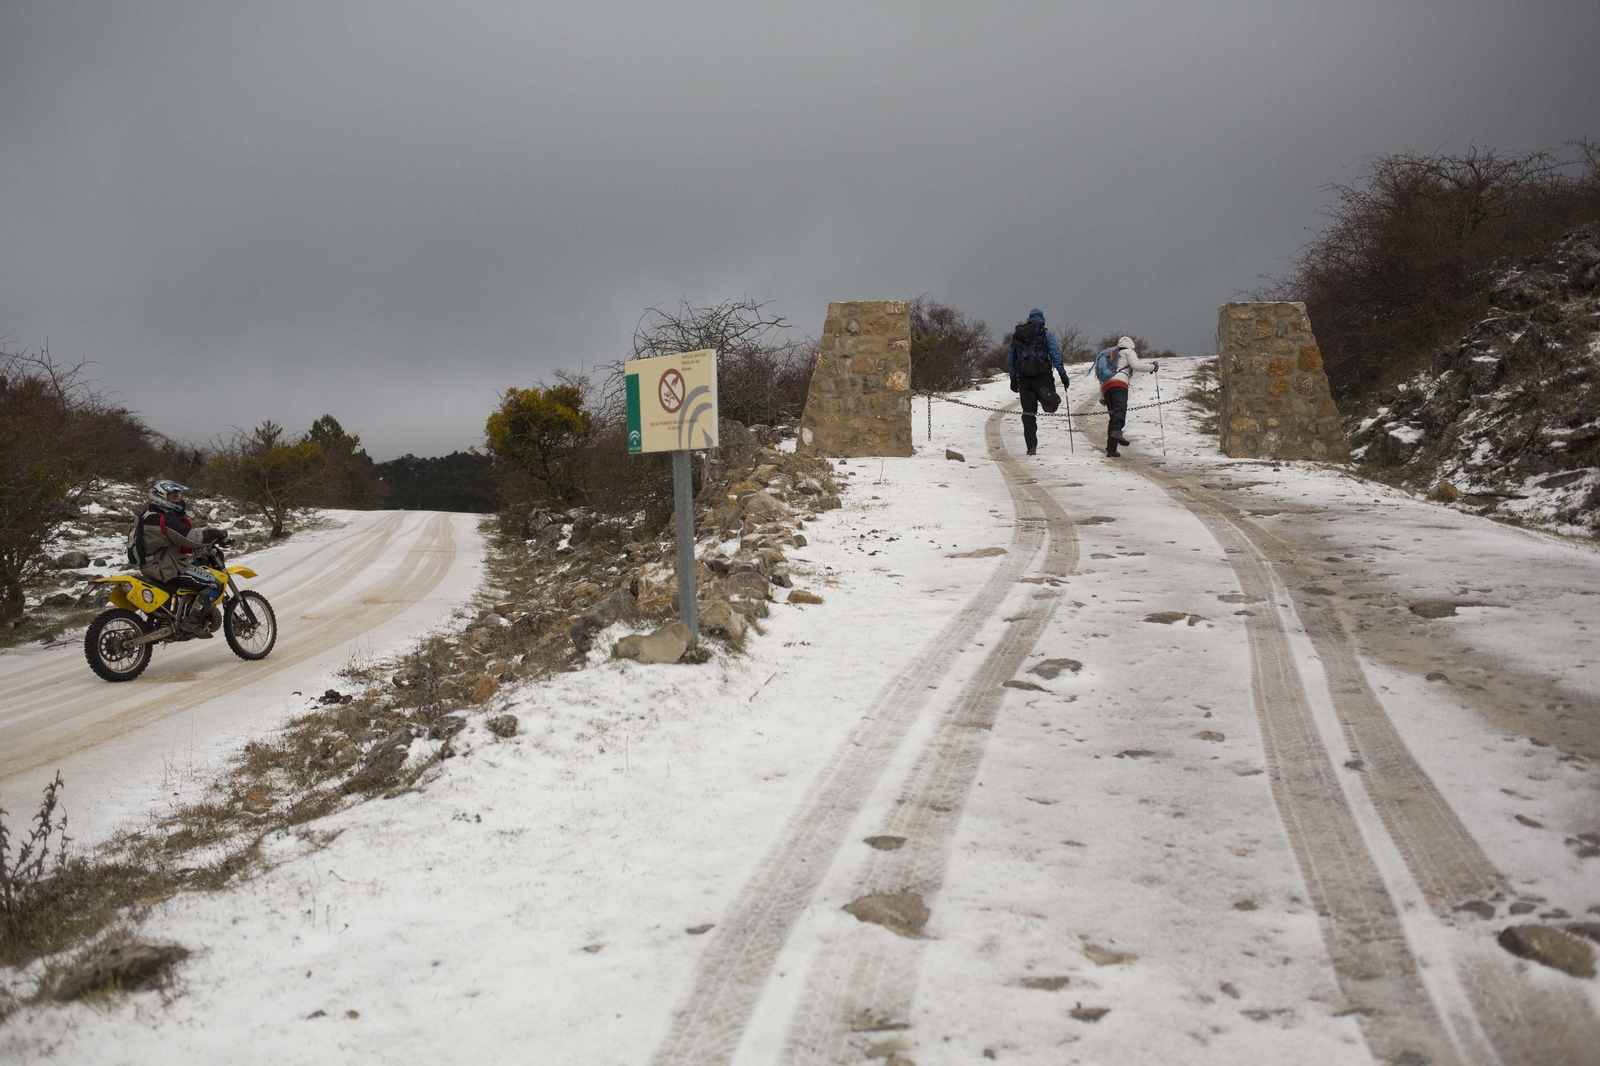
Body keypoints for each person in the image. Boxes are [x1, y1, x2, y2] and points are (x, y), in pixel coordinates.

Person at [137, 480, 225, 637]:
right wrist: (217, 534)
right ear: (162, 498)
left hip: (149, 566)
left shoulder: (145, 516)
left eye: (178, 496)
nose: (179, 499)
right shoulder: (164, 519)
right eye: (174, 496)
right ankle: (190, 623)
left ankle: (179, 614)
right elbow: (192, 538)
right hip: (166, 567)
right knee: (214, 584)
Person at [1006, 309, 1072, 456]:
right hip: (1043, 376)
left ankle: (1031, 446)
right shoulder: (1044, 333)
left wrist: (1013, 378)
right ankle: (1047, 397)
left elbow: (1010, 359)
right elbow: (1054, 352)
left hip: (1024, 379)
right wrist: (1062, 373)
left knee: (1028, 413)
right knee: (1051, 407)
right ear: (1042, 319)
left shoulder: (1018, 336)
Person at [1094, 337, 1159, 457]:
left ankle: (1111, 449)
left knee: (1113, 416)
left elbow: (1102, 377)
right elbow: (1137, 365)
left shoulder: (1111, 356)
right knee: (1120, 411)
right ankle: (1116, 433)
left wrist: (1103, 396)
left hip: (1106, 388)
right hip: (1119, 385)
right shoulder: (1128, 352)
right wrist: (1152, 367)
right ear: (1131, 346)